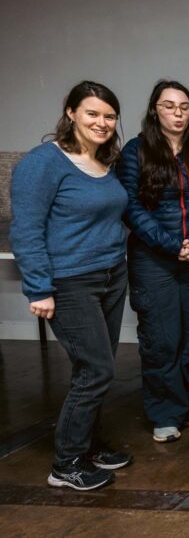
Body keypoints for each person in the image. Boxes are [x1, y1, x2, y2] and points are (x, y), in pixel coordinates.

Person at [10, 81, 132, 490]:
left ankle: (90, 445)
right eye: (92, 113)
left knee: (95, 367)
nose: (102, 123)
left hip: (112, 276)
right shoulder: (42, 163)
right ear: (71, 114)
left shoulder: (103, 162)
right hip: (69, 281)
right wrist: (39, 288)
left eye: (109, 116)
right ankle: (66, 462)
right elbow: (26, 230)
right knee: (96, 368)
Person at [118, 80, 189, 442]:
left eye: (184, 106)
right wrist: (171, 245)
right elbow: (130, 204)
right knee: (160, 338)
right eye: (169, 106)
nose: (178, 113)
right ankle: (165, 410)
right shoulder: (136, 150)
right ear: (155, 109)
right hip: (154, 259)